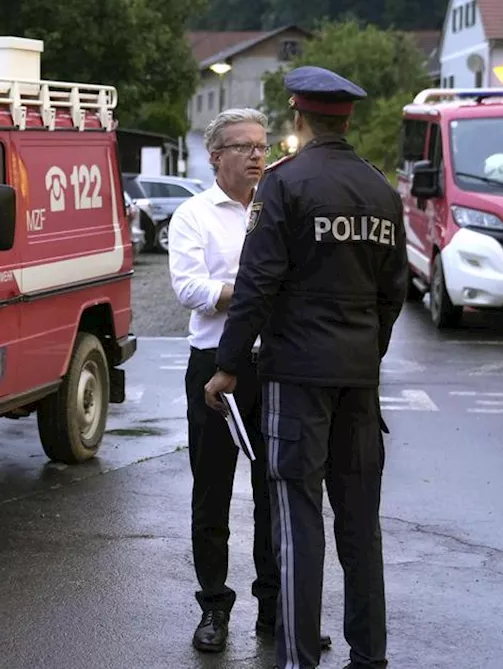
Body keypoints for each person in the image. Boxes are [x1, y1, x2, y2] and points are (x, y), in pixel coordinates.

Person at [203, 66, 408, 669]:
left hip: (296, 378)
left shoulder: (285, 185)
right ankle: (370, 657)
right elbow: (393, 292)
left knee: (298, 522)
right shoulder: (380, 189)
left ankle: (298, 659)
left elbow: (258, 285)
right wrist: (367, 354)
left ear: (299, 118)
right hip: (358, 383)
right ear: (347, 119)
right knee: (360, 525)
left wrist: (228, 365)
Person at [168, 107, 331, 655]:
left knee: (273, 492)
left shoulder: (279, 209)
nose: (258, 155)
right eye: (244, 147)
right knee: (212, 491)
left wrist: (251, 287)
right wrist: (260, 288)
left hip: (276, 364)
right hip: (214, 365)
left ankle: (273, 608)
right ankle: (213, 606)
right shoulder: (193, 215)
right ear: (216, 156)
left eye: (262, 146)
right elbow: (191, 290)